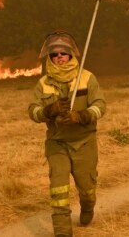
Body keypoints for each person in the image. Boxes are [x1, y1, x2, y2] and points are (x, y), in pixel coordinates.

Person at [28, 31, 107, 237]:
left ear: (71, 55)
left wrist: (81, 116)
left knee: (87, 190)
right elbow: (33, 111)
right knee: (59, 192)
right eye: (54, 54)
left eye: (64, 53)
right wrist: (48, 111)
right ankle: (63, 233)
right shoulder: (43, 83)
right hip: (57, 144)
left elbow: (100, 105)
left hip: (84, 142)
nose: (59, 57)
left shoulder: (87, 78)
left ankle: (87, 207)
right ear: (49, 58)